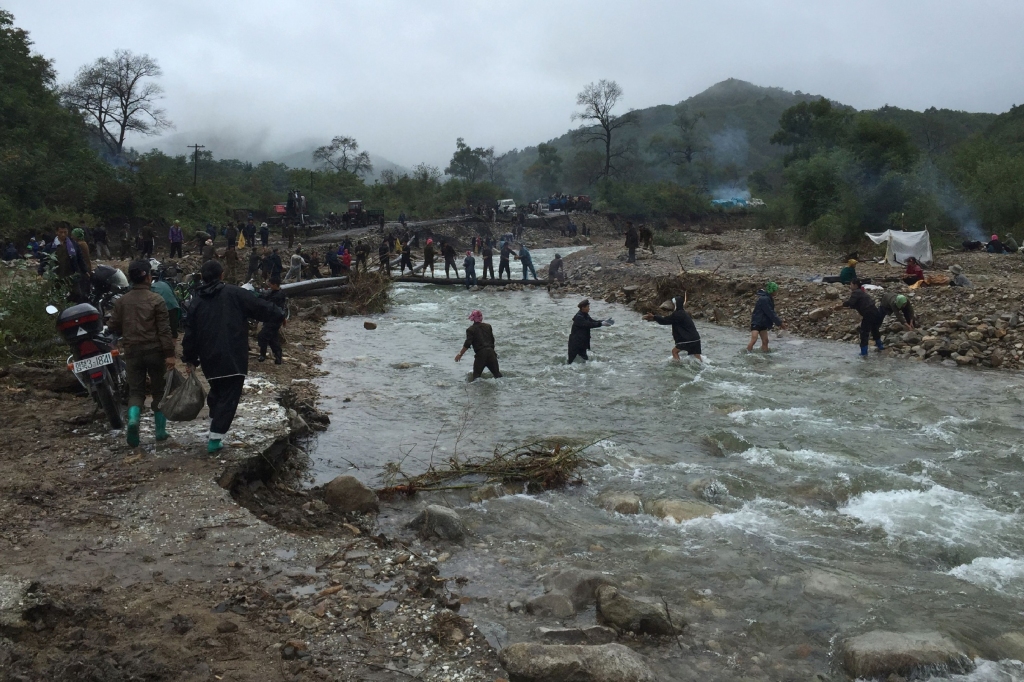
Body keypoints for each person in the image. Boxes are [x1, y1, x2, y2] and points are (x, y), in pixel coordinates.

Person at [181, 260, 286, 453]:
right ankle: (215, 438)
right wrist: (280, 313)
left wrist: (190, 358)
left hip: (208, 357)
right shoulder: (234, 293)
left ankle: (214, 427)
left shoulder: (196, 300)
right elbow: (259, 306)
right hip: (233, 354)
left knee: (218, 389)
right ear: (221, 275)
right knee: (230, 396)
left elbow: (190, 333)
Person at [108, 260, 176, 447]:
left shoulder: (122, 301)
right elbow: (164, 330)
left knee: (135, 392)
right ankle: (160, 432)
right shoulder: (157, 300)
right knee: (158, 392)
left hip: (132, 352)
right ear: (147, 276)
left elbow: (113, 325)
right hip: (155, 351)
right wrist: (170, 354)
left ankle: (132, 421)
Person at [644, 293, 702, 361]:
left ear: (676, 305)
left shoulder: (677, 314)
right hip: (696, 339)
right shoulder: (684, 313)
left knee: (674, 352)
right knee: (697, 357)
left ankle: (678, 368)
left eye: (673, 304)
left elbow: (665, 320)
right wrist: (655, 319)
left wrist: (654, 317)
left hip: (688, 340)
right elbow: (668, 320)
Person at [838, 279, 883, 356]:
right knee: (874, 329)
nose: (850, 286)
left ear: (855, 285)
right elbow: (854, 305)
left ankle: (864, 353)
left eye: (851, 284)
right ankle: (880, 347)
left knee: (864, 332)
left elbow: (851, 303)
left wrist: (841, 305)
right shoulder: (862, 292)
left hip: (868, 314)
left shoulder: (856, 292)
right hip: (875, 312)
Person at [454, 309, 502, 380]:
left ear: (473, 319)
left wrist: (460, 354)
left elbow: (467, 344)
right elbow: (492, 340)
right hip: (491, 353)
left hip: (481, 355)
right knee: (498, 376)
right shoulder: (488, 326)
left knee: (476, 378)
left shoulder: (471, 330)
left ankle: (476, 391)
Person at [567, 299, 613, 364]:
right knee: (571, 362)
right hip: (575, 344)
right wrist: (601, 324)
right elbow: (589, 324)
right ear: (583, 308)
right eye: (588, 307)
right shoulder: (579, 317)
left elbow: (593, 321)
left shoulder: (585, 315)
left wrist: (603, 321)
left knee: (584, 361)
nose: (589, 309)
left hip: (582, 343)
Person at [54, 225, 91, 303]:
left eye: (65, 232)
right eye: (61, 232)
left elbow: (80, 259)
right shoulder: (52, 246)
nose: (63, 234)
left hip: (73, 273)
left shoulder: (76, 245)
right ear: (57, 232)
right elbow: (45, 259)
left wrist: (85, 270)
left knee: (76, 294)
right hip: (59, 274)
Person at [747, 282, 784, 352]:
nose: (777, 292)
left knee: (765, 341)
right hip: (757, 322)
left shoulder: (768, 298)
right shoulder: (764, 299)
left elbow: (770, 313)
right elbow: (770, 312)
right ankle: (747, 353)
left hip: (763, 323)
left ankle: (765, 355)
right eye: (776, 290)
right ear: (772, 290)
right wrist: (780, 323)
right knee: (754, 339)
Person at [258, 276, 287, 364]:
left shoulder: (278, 296)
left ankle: (262, 355)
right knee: (273, 338)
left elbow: (268, 303)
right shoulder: (275, 292)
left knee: (262, 336)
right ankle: (278, 358)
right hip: (271, 319)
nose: (269, 286)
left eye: (270, 285)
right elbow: (266, 296)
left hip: (274, 320)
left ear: (275, 285)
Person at [150, 272, 182, 338]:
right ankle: (173, 347)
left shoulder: (150, 287)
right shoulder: (165, 284)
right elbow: (175, 297)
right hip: (174, 307)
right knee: (173, 332)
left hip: (164, 309)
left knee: (162, 332)